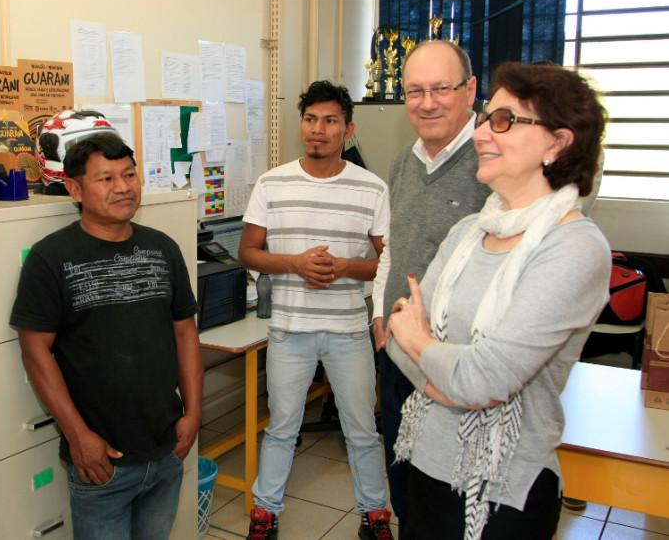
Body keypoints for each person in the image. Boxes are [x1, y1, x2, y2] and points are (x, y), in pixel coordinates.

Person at [386, 62, 611, 539]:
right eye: (487, 117)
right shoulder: (467, 232)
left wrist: (423, 346)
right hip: (427, 463)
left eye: (505, 120)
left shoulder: (574, 248)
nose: (483, 133)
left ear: (558, 142)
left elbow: (482, 376)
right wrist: (444, 382)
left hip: (503, 489)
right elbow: (396, 334)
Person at [10, 132, 203, 540]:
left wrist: (194, 413)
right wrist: (79, 437)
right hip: (102, 461)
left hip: (166, 448)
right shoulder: (51, 258)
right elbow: (35, 353)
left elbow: (186, 334)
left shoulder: (162, 247)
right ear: (75, 189)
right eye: (106, 179)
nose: (123, 187)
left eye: (129, 175)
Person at [239, 80, 393, 540]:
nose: (318, 130)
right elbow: (248, 251)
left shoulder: (372, 188)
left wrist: (345, 266)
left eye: (329, 121)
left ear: (347, 129)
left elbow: (389, 261)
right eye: (310, 120)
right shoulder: (272, 183)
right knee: (282, 428)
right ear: (300, 125)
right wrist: (294, 263)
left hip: (348, 331)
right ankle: (264, 513)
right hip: (289, 329)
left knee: (362, 430)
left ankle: (375, 514)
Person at [370, 40, 491, 531]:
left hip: (458, 363)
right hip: (398, 354)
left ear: (471, 91)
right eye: (415, 90)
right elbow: (394, 248)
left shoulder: (493, 161)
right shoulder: (403, 161)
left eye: (442, 88)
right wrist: (379, 316)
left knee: (455, 496)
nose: (427, 102)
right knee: (406, 485)